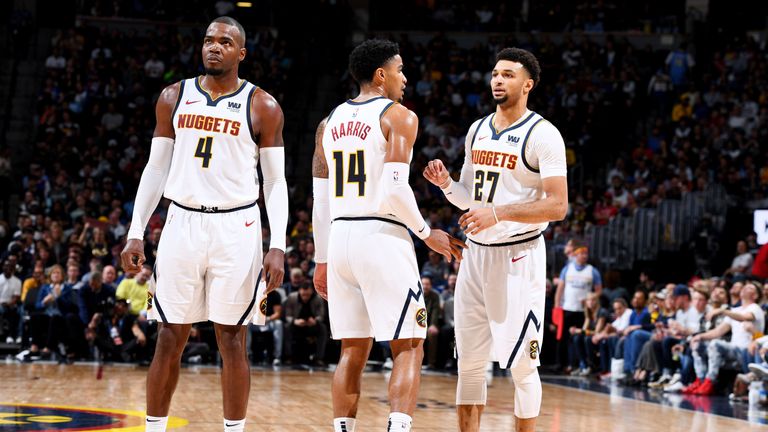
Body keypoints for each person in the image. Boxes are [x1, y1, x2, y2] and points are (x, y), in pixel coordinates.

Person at [119, 16, 288, 432]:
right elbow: (155, 169)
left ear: (241, 53)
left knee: (232, 339)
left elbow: (276, 181)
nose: (214, 47)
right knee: (169, 335)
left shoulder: (263, 105)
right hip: (181, 223)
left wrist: (278, 243)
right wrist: (136, 229)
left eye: (225, 42)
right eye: (209, 40)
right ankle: (153, 428)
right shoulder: (173, 96)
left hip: (238, 227)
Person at [311, 39, 465, 432]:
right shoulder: (399, 116)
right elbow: (396, 189)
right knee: (410, 345)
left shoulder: (327, 123)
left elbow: (321, 200)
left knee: (352, 349)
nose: (405, 78)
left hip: (340, 235)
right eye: (400, 71)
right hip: (381, 236)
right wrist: (427, 232)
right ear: (381, 75)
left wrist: (322, 259)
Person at [423, 47, 567, 432]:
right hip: (475, 255)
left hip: (519, 255)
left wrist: (499, 213)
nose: (498, 80)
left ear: (528, 84)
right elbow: (471, 199)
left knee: (522, 364)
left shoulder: (543, 134)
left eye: (508, 74)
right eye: (494, 74)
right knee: (468, 362)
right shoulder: (477, 129)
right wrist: (446, 186)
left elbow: (558, 205)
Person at [554, 245, 603, 372]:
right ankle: (560, 364)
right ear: (576, 255)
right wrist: (556, 305)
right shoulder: (567, 269)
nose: (585, 256)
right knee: (562, 338)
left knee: (577, 338)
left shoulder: (592, 271)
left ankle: (577, 364)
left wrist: (589, 298)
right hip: (567, 308)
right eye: (582, 254)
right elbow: (560, 288)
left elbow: (599, 291)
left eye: (586, 254)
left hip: (584, 311)